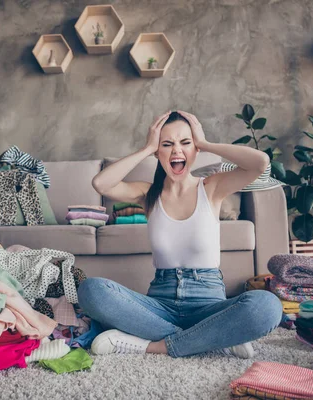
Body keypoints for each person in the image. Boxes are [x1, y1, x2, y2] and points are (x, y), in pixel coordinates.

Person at [77, 110, 282, 358]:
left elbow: (260, 163)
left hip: (209, 305)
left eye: (185, 143)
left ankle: (157, 345)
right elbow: (101, 184)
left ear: (195, 150)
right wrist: (146, 148)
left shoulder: (212, 187)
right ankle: (211, 338)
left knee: (267, 306)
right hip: (159, 305)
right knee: (91, 290)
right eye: (167, 144)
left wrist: (205, 143)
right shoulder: (148, 193)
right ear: (158, 152)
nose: (177, 151)